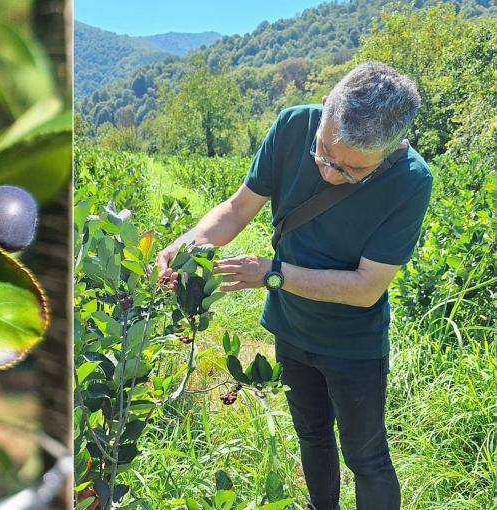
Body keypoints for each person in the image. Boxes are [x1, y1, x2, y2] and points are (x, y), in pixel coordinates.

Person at [155, 61, 433, 510]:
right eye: (324, 154)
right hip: (291, 327)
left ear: (389, 151)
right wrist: (181, 246)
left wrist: (272, 274)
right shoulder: (293, 126)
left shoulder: (411, 182)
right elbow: (237, 208)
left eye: (351, 172)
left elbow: (366, 287)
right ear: (325, 108)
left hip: (353, 344)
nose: (329, 173)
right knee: (312, 435)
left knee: (366, 457)